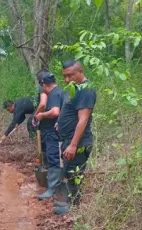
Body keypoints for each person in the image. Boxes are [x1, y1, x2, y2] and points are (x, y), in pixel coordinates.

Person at [52, 59, 97, 215]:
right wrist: (60, 122)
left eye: (70, 75)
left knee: (75, 174)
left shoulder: (86, 90)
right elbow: (69, 110)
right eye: (64, 76)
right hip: (67, 139)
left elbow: (83, 119)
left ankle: (74, 210)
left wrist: (73, 145)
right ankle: (70, 204)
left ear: (80, 71)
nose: (66, 80)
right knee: (69, 173)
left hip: (78, 142)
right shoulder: (73, 88)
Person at [34, 72, 67, 200]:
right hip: (58, 132)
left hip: (53, 133)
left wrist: (41, 115)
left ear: (43, 85)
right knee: (59, 160)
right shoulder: (60, 91)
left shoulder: (53, 94)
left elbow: (55, 112)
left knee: (53, 159)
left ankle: (52, 189)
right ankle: (58, 186)